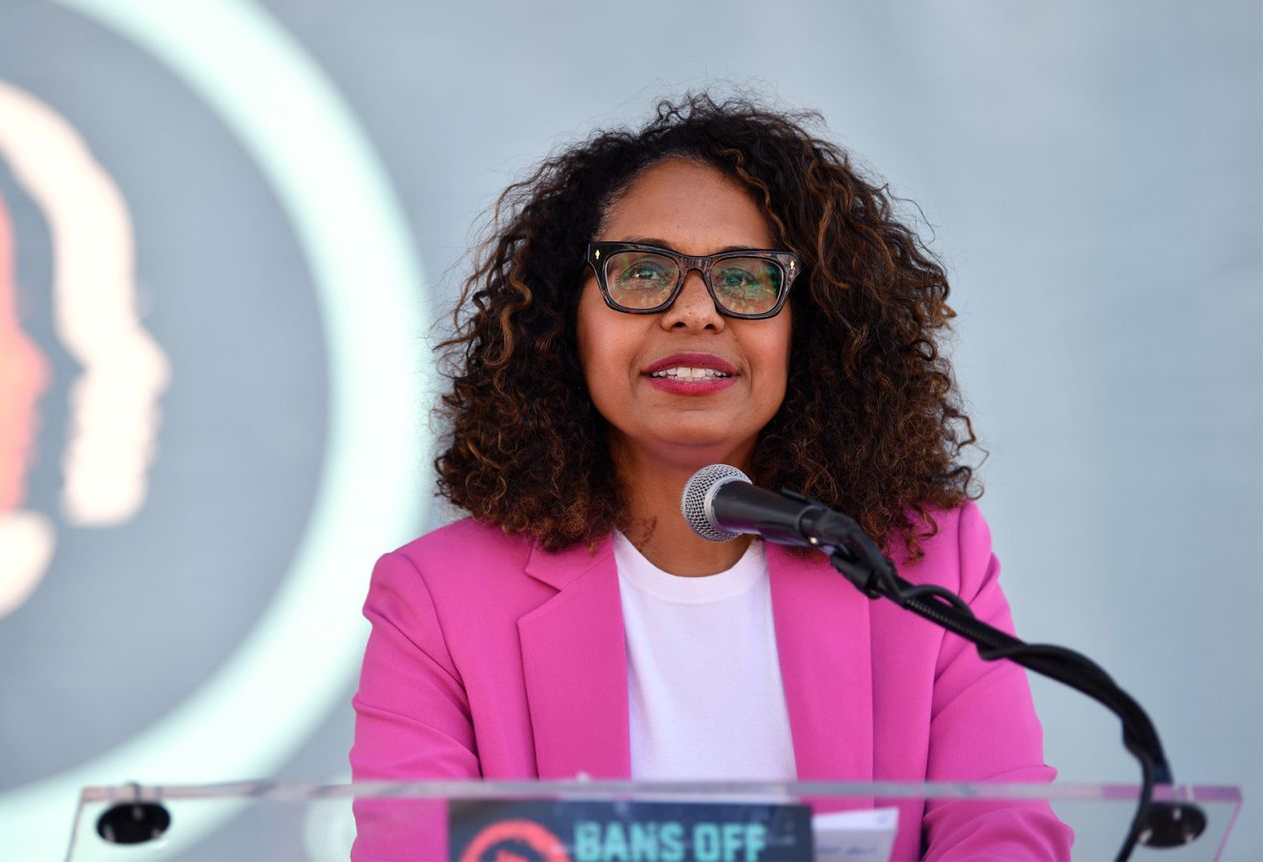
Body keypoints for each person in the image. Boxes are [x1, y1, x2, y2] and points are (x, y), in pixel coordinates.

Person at [350, 93, 1072, 860]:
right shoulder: (438, 600)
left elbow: (1004, 832)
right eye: (641, 272)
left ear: (809, 325)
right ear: (566, 321)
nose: (695, 312)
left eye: (747, 279)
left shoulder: (925, 559)